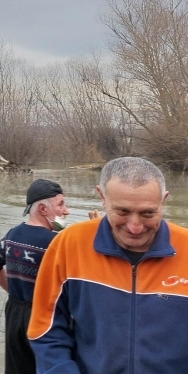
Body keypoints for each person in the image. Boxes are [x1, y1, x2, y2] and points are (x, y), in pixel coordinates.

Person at [29, 157, 188, 373]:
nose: (135, 227)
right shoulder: (69, 244)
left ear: (164, 200)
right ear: (102, 197)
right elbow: (45, 329)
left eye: (147, 213)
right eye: (122, 212)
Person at [0, 179, 68, 374]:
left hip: (14, 313)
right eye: (61, 204)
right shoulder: (57, 243)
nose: (66, 211)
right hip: (44, 316)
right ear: (42, 208)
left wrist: (13, 290)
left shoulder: (12, 234)